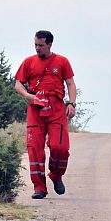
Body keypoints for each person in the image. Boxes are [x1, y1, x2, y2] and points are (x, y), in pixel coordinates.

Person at [14, 30, 77, 199]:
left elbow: (70, 83)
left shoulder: (62, 61)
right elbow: (18, 84)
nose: (37, 48)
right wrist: (28, 96)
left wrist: (71, 103)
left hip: (56, 108)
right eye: (35, 44)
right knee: (34, 148)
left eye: (40, 45)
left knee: (60, 147)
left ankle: (56, 175)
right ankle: (39, 187)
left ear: (49, 44)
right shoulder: (28, 62)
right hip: (36, 108)